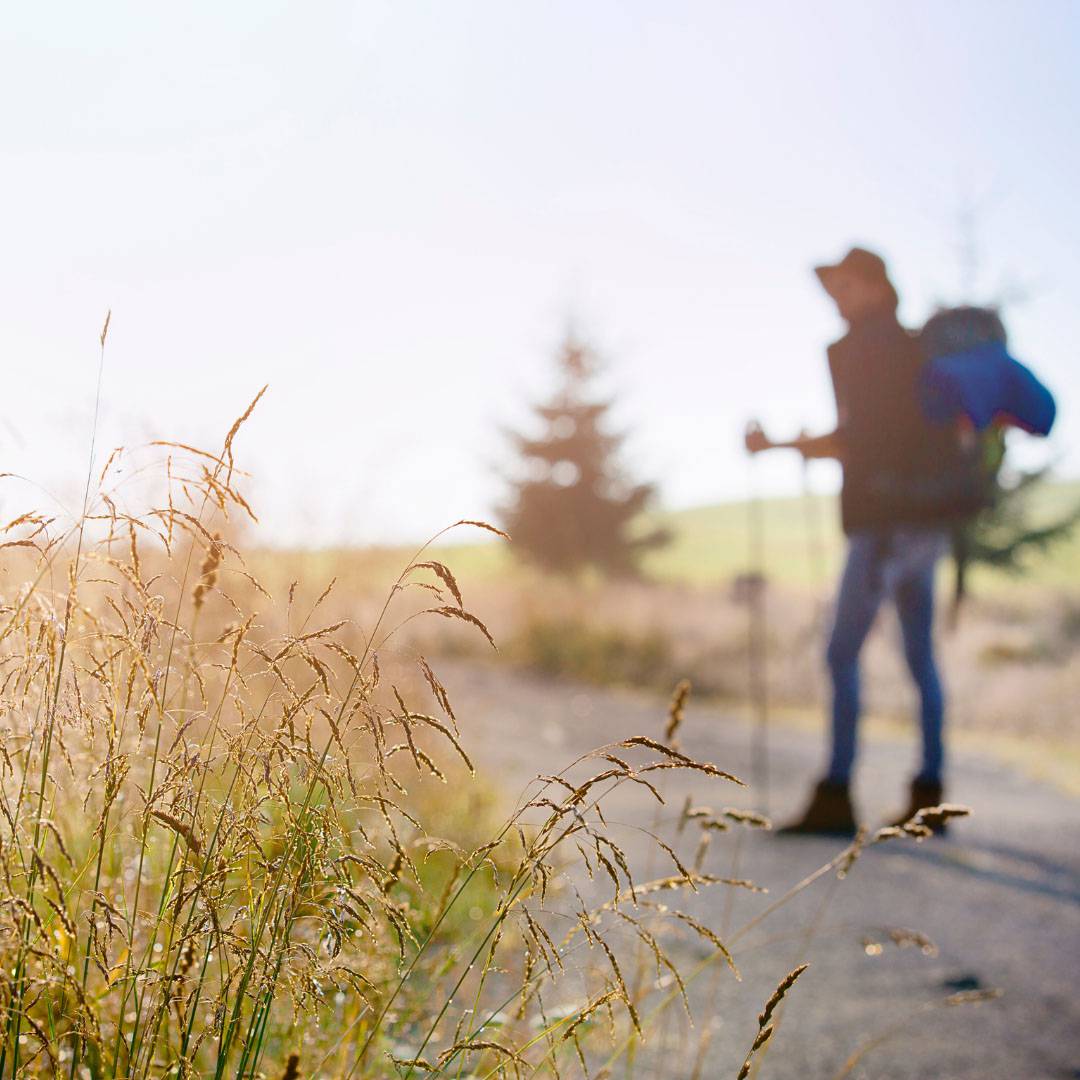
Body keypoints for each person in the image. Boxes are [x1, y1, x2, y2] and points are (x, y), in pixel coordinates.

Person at [745, 246, 977, 836]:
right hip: (923, 525)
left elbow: (863, 438)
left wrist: (781, 447)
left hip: (883, 524)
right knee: (920, 660)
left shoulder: (865, 349)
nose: (837, 298)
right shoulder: (914, 349)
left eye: (845, 286)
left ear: (874, 286)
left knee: (841, 652)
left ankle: (836, 794)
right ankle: (930, 796)